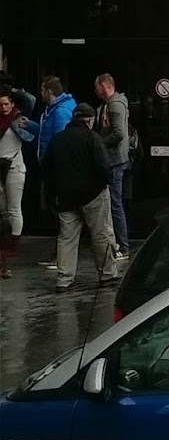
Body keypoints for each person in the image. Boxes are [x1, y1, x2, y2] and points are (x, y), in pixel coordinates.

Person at [42, 104, 118, 292]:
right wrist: (107, 181)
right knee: (101, 234)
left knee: (67, 238)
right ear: (90, 120)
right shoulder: (93, 138)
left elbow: (47, 169)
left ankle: (64, 278)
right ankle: (107, 274)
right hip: (93, 194)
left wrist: (52, 197)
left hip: (66, 197)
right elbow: (104, 166)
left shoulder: (58, 139)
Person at [18, 77, 77, 270]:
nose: (40, 93)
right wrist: (31, 125)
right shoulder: (54, 109)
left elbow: (60, 142)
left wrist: (55, 168)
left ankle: (61, 256)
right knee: (60, 213)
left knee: (61, 214)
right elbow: (47, 133)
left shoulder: (60, 111)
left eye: (42, 90)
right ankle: (60, 254)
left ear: (50, 92)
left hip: (56, 170)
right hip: (53, 169)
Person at [94, 72, 130, 260]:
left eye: (97, 87)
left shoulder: (114, 105)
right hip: (114, 159)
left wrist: (98, 143)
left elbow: (118, 134)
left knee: (115, 203)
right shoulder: (111, 104)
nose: (95, 90)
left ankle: (123, 245)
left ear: (104, 86)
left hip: (114, 160)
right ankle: (117, 243)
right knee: (113, 202)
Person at [0, 85, 32, 278]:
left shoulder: (18, 118)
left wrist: (15, 91)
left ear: (12, 104)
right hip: (0, 166)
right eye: (0, 104)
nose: (3, 108)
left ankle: (12, 247)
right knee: (3, 210)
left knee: (13, 208)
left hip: (14, 166)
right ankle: (4, 248)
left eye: (6, 104)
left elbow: (30, 100)